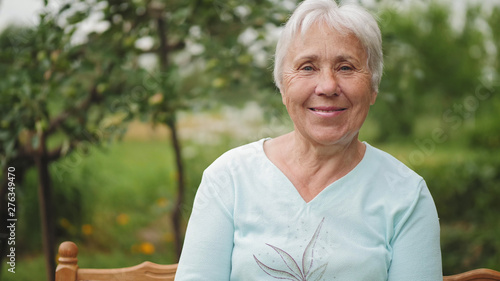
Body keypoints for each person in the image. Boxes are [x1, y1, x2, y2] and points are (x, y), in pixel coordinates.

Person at [175, 0, 442, 280]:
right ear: (282, 86)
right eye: (307, 67)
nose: (327, 86)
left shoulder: (406, 196)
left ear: (373, 88)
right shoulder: (229, 178)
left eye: (346, 67)